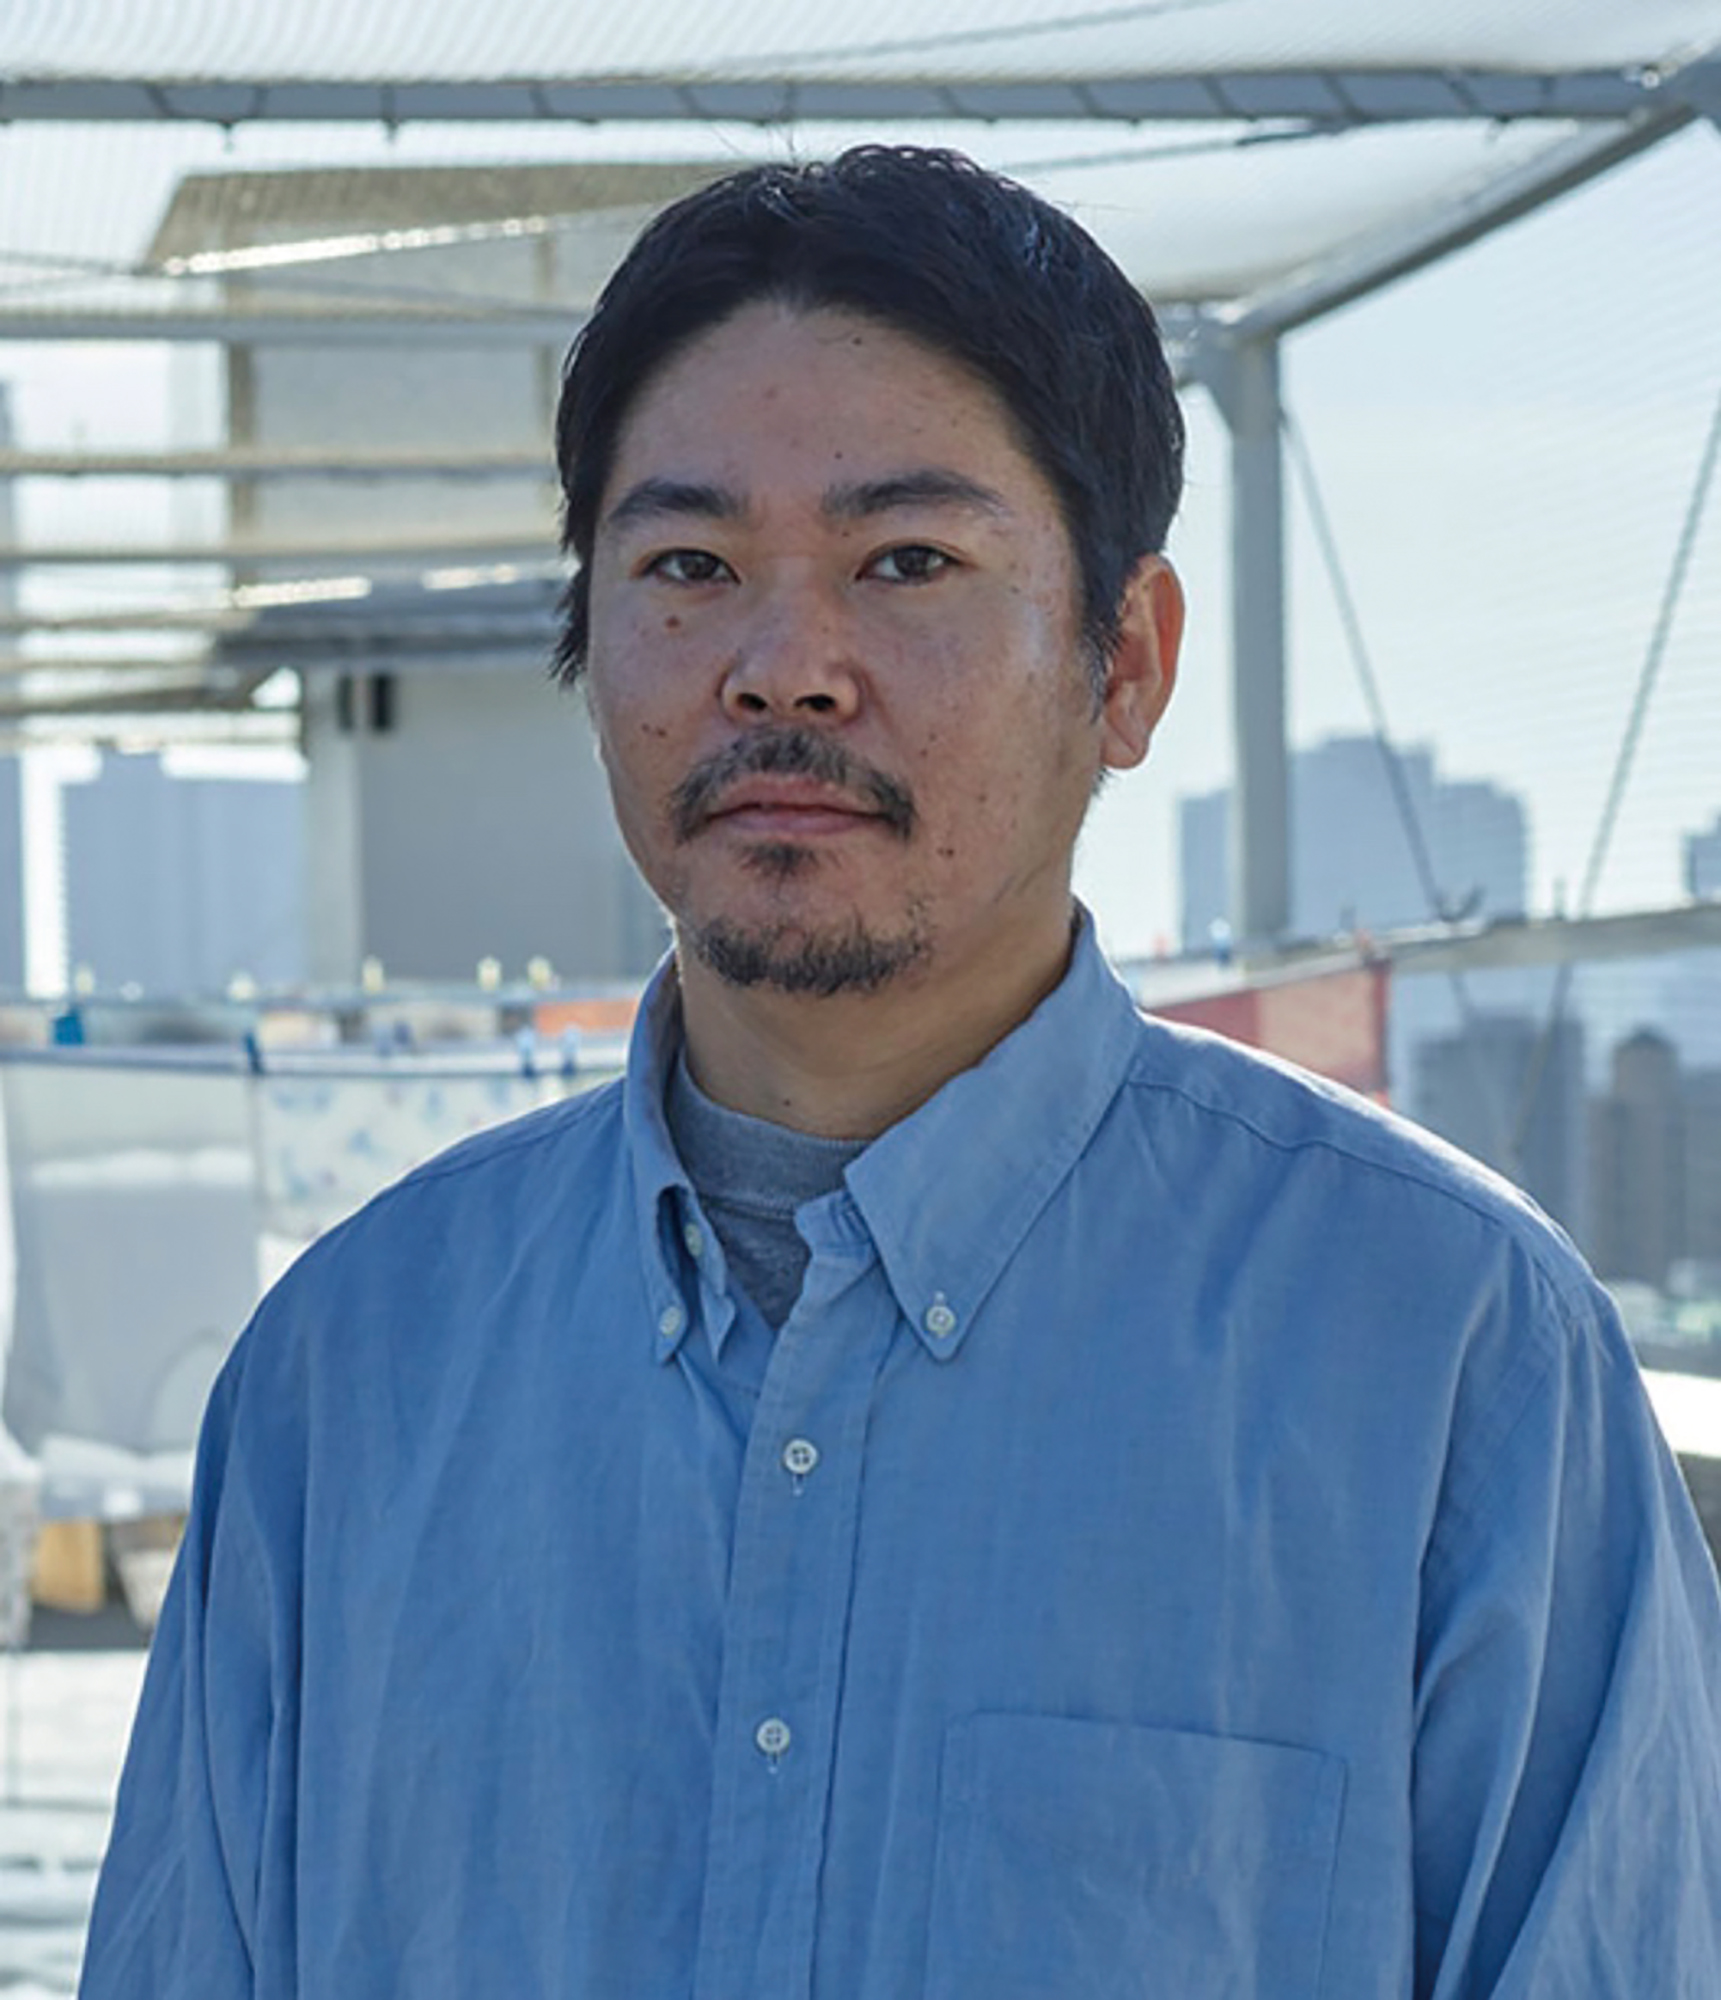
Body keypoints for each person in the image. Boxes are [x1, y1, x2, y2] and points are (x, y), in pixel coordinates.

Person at [82, 147, 1720, 1998]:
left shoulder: (1451, 1354)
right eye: (688, 565)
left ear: (1124, 662)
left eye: (907, 562)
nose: (784, 669)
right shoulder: (353, 1368)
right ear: (589, 638)